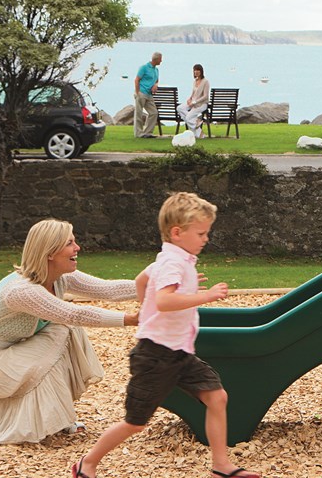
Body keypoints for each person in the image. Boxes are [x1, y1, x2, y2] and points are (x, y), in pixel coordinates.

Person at [73, 192, 259, 478]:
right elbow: (164, 301)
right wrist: (203, 296)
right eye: (201, 233)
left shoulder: (173, 259)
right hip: (155, 356)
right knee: (135, 423)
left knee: (217, 397)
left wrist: (146, 308)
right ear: (177, 232)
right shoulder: (173, 263)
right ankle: (88, 463)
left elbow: (142, 281)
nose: (206, 238)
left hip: (179, 354)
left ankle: (221, 465)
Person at [0, 219, 142, 445]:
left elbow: (107, 289)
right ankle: (36, 423)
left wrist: (162, 286)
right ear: (50, 252)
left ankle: (54, 417)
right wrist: (129, 319)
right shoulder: (22, 291)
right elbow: (75, 314)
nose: (78, 248)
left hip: (3, 352)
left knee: (61, 333)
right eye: (70, 243)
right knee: (60, 332)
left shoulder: (60, 278)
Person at [133, 51, 163, 138]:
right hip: (141, 93)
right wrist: (137, 92)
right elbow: (137, 80)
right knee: (138, 113)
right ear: (156, 59)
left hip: (149, 95)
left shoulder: (156, 70)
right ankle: (138, 134)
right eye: (160, 59)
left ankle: (147, 132)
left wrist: (155, 85)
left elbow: (157, 81)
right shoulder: (144, 68)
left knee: (154, 113)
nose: (161, 61)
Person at [178, 63, 211, 139]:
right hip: (193, 101)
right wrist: (190, 99)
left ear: (201, 71)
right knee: (180, 108)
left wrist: (194, 102)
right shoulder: (195, 81)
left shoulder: (205, 82)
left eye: (198, 70)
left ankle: (198, 133)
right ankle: (196, 121)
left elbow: (205, 96)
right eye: (195, 70)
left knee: (188, 118)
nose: (196, 72)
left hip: (201, 104)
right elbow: (193, 93)